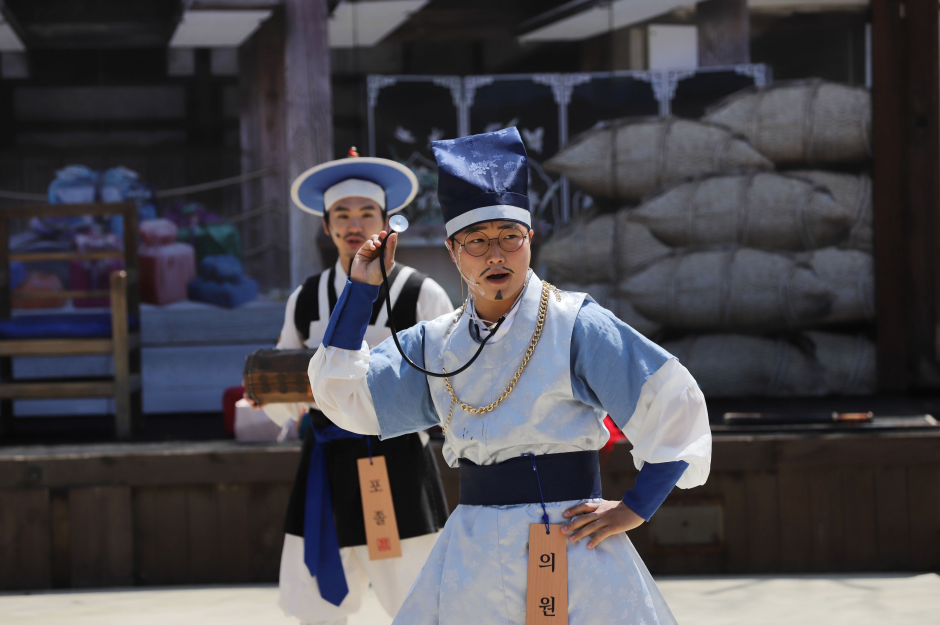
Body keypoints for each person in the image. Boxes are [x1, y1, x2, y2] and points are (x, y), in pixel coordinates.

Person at [307, 129, 712, 625]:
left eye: (509, 237)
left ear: (529, 240)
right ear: (453, 250)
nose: (495, 255)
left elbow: (671, 399)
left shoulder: (574, 324)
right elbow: (345, 395)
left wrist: (635, 507)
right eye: (477, 241)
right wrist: (361, 290)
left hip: (573, 543)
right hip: (472, 553)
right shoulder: (434, 344)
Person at [260, 149, 454, 625]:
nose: (354, 224)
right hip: (326, 459)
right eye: (342, 215)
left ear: (386, 222)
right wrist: (268, 395)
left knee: (421, 601)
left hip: (401, 457)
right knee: (317, 606)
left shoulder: (421, 292)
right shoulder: (306, 297)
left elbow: (451, 379)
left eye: (366, 213)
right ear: (326, 226)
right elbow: (285, 376)